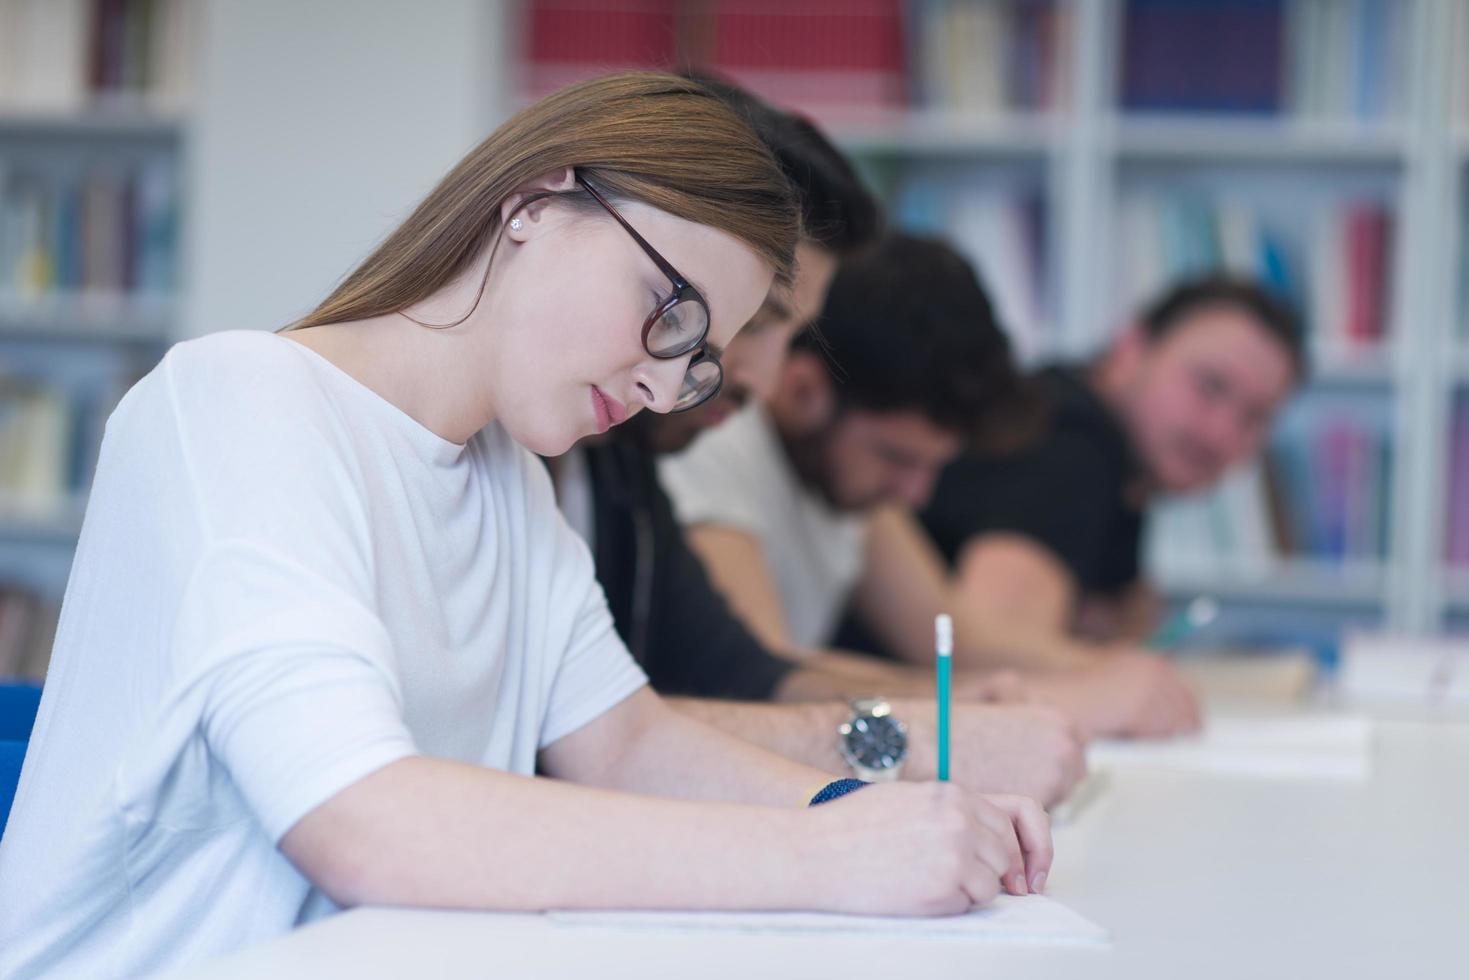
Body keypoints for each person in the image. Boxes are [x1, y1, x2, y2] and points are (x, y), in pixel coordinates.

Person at [0, 74, 1052, 979]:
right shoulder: (239, 401)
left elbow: (625, 742)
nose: (659, 378)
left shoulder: (510, 480)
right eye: (668, 309)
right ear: (537, 203)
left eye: (696, 360)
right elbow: (362, 819)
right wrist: (835, 857)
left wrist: (861, 809)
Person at [547, 75, 1084, 806]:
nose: (765, 380)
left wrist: (959, 714)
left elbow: (744, 675)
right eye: (754, 323)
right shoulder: (612, 441)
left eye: (780, 330)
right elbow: (577, 738)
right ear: (535, 210)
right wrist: (917, 738)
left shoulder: (620, 456)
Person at [660, 233, 1202, 739]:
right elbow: (763, 674)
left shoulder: (842, 469)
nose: (916, 493)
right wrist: (1046, 699)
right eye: (897, 457)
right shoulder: (717, 441)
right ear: (805, 391)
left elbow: (952, 639)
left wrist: (1116, 672)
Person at [921, 277, 1302, 646]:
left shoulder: (1119, 464)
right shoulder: (1069, 444)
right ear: (1131, 348)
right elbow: (994, 663)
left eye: (1255, 416)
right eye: (1210, 385)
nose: (1222, 434)